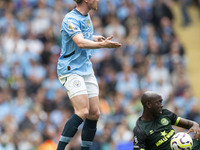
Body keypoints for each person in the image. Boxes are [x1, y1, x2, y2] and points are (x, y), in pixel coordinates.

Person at [56, 0, 121, 150]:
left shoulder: (86, 16)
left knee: (94, 113)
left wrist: (94, 37)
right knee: (82, 111)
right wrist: (102, 46)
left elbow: (83, 36)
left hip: (85, 68)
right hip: (71, 69)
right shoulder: (70, 19)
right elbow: (80, 42)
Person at [133, 91, 200, 150]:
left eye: (161, 102)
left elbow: (189, 124)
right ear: (149, 104)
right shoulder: (140, 129)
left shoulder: (164, 113)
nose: (161, 105)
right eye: (158, 102)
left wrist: (195, 125)